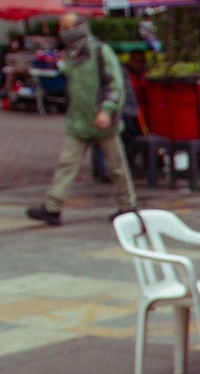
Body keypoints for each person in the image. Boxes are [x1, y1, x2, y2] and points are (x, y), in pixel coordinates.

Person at [25, 14, 136, 226]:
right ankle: (52, 207)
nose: (62, 31)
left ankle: (127, 205)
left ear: (79, 27)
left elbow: (115, 84)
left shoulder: (100, 51)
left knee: (116, 167)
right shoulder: (71, 54)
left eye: (66, 27)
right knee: (67, 163)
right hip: (79, 121)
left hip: (102, 120)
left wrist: (107, 110)